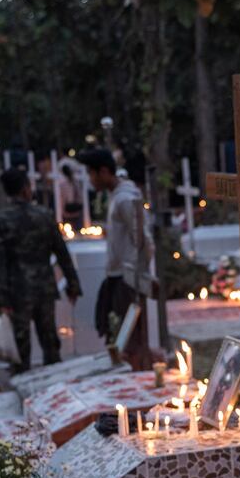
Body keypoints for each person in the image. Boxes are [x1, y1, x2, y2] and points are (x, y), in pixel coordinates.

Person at [0, 168, 81, 371]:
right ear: (25, 189)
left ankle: (23, 389)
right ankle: (55, 390)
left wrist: (0, 300)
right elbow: (61, 253)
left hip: (16, 292)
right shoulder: (44, 216)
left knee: (19, 349)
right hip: (44, 288)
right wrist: (73, 285)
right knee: (49, 342)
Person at [81, 148, 156, 368]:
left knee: (130, 337)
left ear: (103, 172)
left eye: (91, 174)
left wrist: (133, 273)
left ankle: (139, 375)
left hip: (127, 277)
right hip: (119, 274)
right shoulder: (118, 196)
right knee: (119, 333)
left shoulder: (125, 199)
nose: (90, 180)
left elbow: (143, 239)